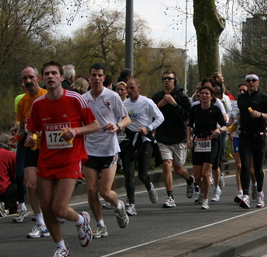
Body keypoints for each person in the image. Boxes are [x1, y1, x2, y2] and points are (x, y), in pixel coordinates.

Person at [26, 60, 100, 257]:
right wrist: (30, 137)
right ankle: (61, 248)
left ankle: (80, 219)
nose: (50, 77)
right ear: (43, 79)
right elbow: (32, 130)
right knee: (46, 207)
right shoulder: (38, 104)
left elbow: (95, 125)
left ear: (61, 77)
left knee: (59, 208)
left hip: (70, 159)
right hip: (46, 160)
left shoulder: (76, 99)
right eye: (46, 74)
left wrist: (76, 131)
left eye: (54, 73)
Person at [82, 63, 131, 238]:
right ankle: (100, 225)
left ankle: (118, 206)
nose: (96, 78)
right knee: (91, 189)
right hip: (90, 149)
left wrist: (117, 126)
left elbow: (126, 119)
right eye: (93, 75)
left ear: (104, 78)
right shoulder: (84, 98)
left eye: (99, 75)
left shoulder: (112, 96)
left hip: (109, 149)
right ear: (89, 77)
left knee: (105, 192)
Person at [10, 67, 49, 237]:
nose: (28, 81)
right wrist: (16, 138)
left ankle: (51, 217)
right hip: (30, 147)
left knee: (45, 187)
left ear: (38, 78)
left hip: (48, 148)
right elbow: (21, 128)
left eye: (31, 77)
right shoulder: (22, 102)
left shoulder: (47, 96)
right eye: (25, 78)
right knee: (31, 185)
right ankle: (41, 223)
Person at [120, 77, 164, 216]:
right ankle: (131, 204)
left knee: (142, 174)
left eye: (132, 88)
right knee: (128, 173)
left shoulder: (147, 102)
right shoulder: (124, 104)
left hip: (145, 140)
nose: (129, 90)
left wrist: (148, 128)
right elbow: (119, 119)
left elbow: (160, 117)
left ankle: (149, 186)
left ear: (139, 88)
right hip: (130, 140)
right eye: (128, 88)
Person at [152, 70, 196, 208]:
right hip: (163, 137)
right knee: (166, 164)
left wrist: (174, 104)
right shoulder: (158, 96)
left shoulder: (181, 97)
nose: (167, 81)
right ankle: (170, 196)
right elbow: (151, 113)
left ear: (174, 81)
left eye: (169, 79)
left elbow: (187, 115)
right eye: (164, 78)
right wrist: (160, 106)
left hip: (178, 137)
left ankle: (189, 180)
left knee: (178, 168)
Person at [187, 85, 227, 210]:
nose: (204, 96)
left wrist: (219, 130)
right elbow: (189, 125)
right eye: (202, 93)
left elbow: (225, 126)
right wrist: (188, 138)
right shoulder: (195, 109)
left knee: (205, 174)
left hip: (211, 142)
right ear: (199, 95)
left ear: (211, 96)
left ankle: (205, 198)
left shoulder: (215, 110)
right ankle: (202, 190)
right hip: (198, 141)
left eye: (207, 94)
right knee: (197, 176)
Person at [237, 73, 267, 208]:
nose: (251, 83)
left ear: (258, 82)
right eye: (248, 81)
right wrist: (234, 121)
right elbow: (240, 114)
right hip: (245, 135)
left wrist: (260, 115)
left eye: (253, 80)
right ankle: (245, 195)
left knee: (258, 168)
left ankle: (259, 193)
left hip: (259, 136)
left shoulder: (264, 97)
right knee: (245, 166)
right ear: (245, 83)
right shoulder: (241, 97)